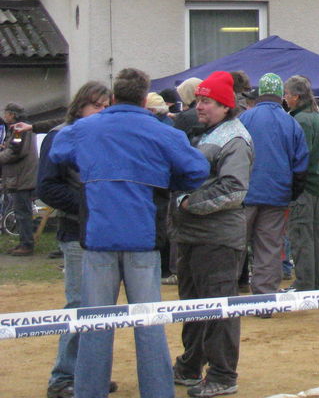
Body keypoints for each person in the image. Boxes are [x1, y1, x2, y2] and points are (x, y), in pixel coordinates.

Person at [49, 68, 209, 398]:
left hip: (98, 237)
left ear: (112, 97)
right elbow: (197, 169)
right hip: (143, 239)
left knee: (95, 324)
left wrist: (94, 167)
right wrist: (164, 182)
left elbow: (58, 150)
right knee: (148, 324)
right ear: (143, 98)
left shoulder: (87, 128)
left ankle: (89, 391)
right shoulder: (161, 131)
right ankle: (157, 392)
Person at [171, 70, 254, 398]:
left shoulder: (235, 139)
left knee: (219, 308)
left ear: (225, 106)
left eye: (207, 101)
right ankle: (190, 365)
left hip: (218, 238)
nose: (200, 106)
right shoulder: (205, 133)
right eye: (199, 100)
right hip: (192, 235)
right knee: (193, 305)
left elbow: (234, 188)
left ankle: (222, 374)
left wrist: (189, 203)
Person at [36, 81, 113, 398]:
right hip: (75, 232)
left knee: (102, 307)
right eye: (96, 105)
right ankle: (63, 377)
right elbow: (47, 187)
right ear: (80, 106)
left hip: (106, 234)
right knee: (80, 304)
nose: (102, 111)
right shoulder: (59, 136)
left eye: (106, 106)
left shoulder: (106, 136)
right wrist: (89, 207)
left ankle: (90, 374)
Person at [238, 73, 308, 295]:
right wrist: (291, 193)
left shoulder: (244, 119)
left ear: (259, 94)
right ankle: (265, 298)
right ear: (281, 95)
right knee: (269, 248)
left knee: (234, 245)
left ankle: (227, 295)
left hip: (245, 194)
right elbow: (301, 164)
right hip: (277, 196)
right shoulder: (291, 123)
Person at [284, 75, 319, 291]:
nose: (285, 98)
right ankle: (314, 282)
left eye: (287, 94)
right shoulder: (314, 116)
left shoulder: (301, 120)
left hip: (304, 186)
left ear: (297, 96)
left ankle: (304, 283)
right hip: (314, 183)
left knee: (301, 236)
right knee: (312, 236)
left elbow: (301, 157)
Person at [1, 101, 37, 256]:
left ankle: (26, 244)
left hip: (21, 176)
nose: (4, 116)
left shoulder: (18, 130)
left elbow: (16, 151)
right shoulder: (23, 129)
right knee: (21, 211)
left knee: (22, 212)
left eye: (6, 113)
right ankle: (24, 242)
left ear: (12, 114)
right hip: (23, 175)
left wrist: (1, 155)